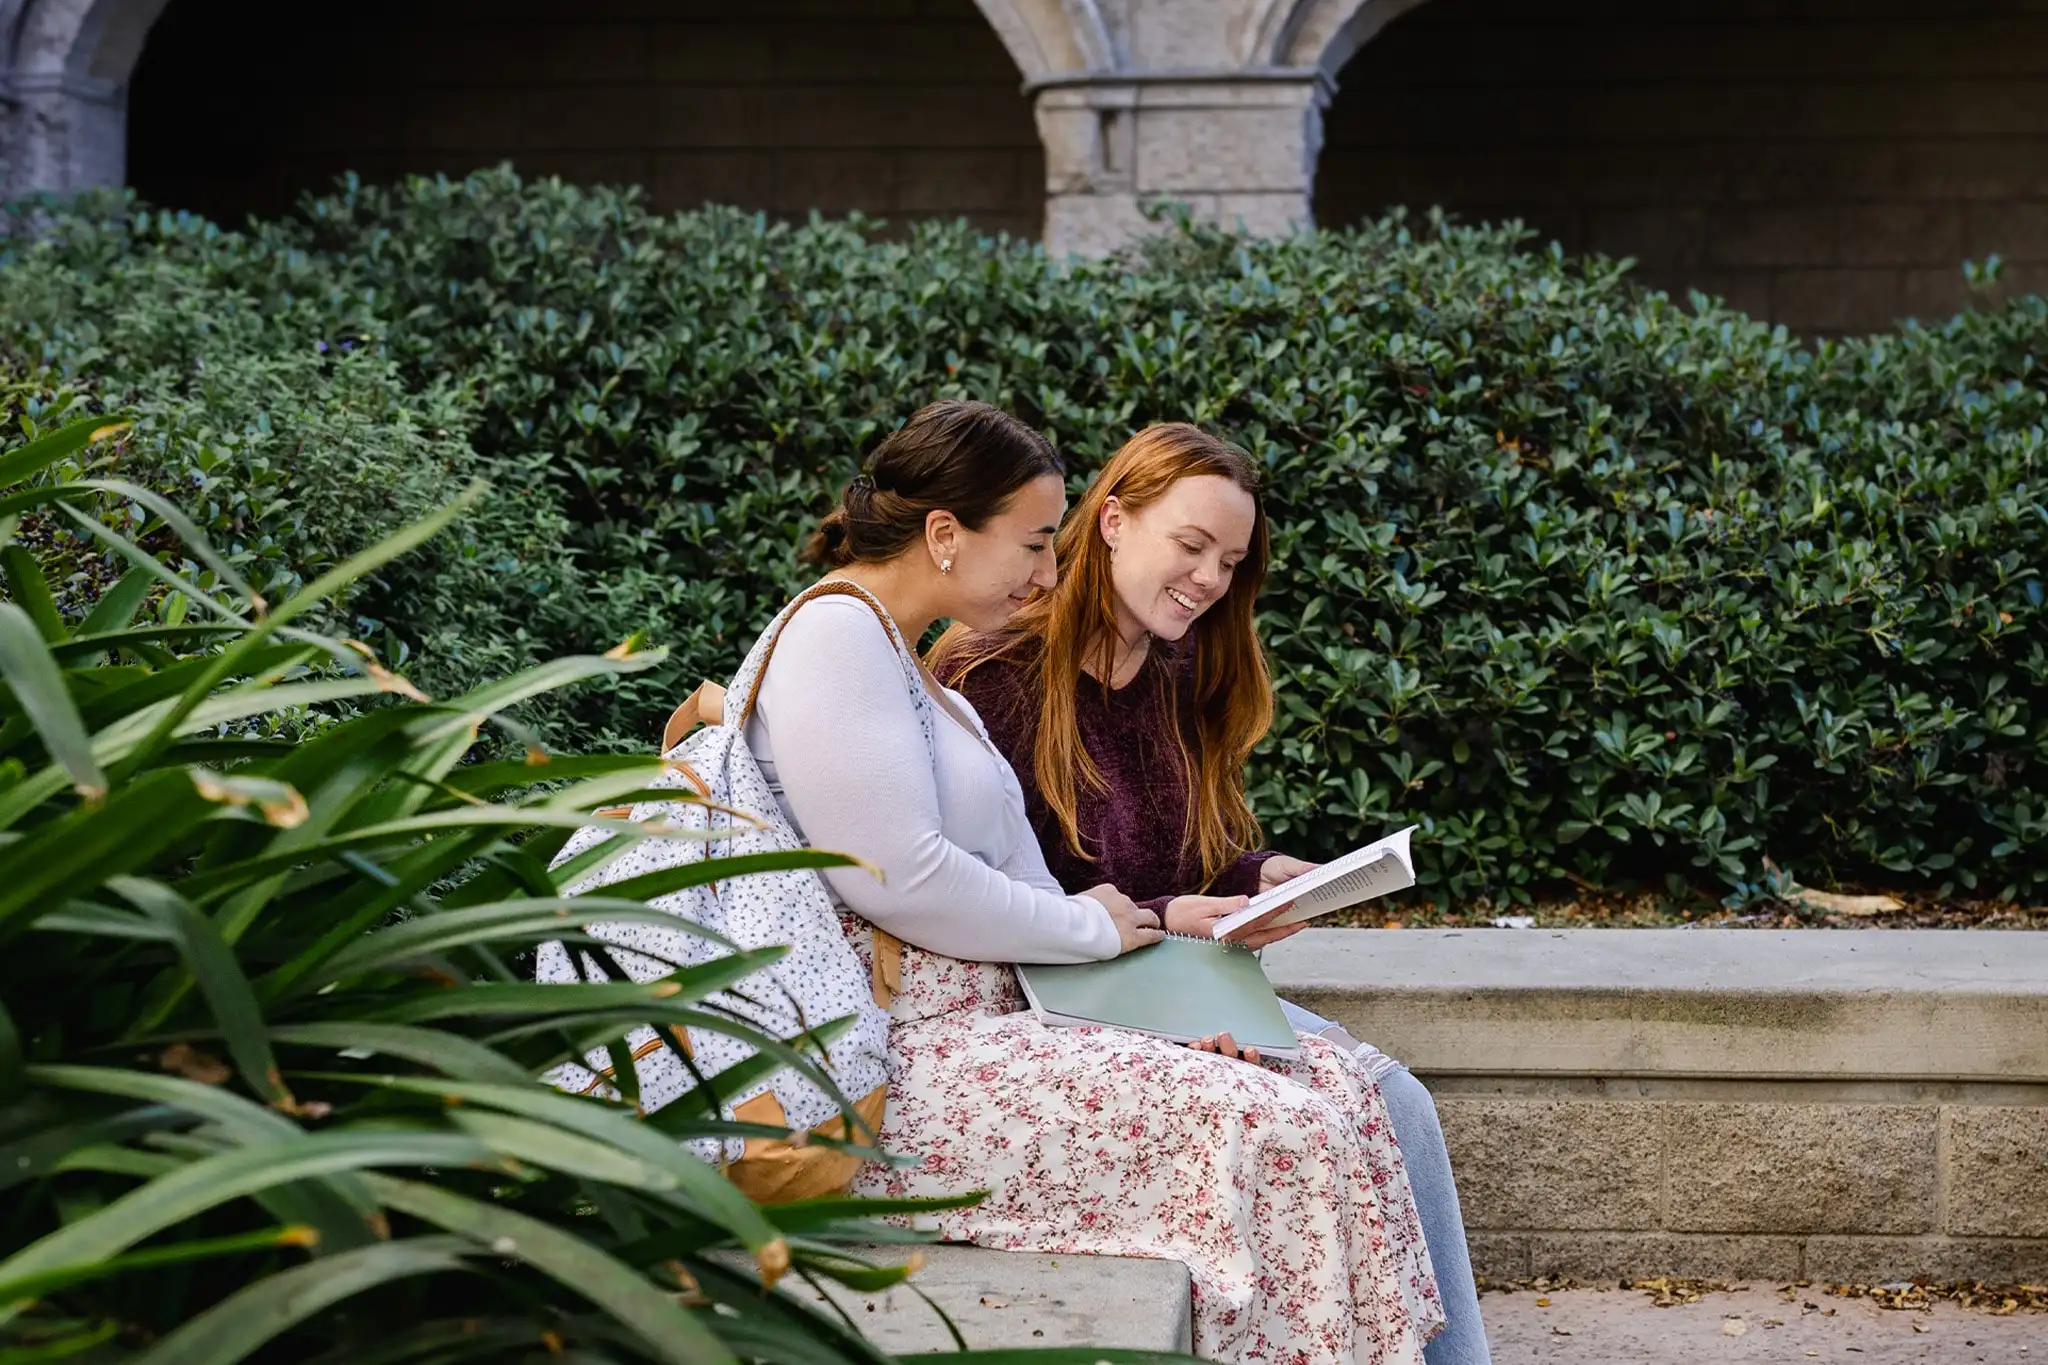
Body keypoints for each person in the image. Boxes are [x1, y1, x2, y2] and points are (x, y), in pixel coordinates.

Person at [745, 399, 1444, 1364]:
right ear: (945, 535)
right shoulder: (840, 635)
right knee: (1287, 1127)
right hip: (899, 1058)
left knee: (1334, 1093)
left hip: (1016, 1014)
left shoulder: (907, 665)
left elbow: (1035, 889)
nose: (1047, 569)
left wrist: (1140, 985)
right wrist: (1102, 938)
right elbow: (899, 876)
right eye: (1034, 542)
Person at [931, 422, 1492, 1365]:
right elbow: (992, 893)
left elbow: (1179, 859)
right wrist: (1157, 921)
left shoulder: (1179, 666)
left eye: (1229, 561)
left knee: (1399, 1106)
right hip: (1059, 999)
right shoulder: (991, 671)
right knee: (1373, 1108)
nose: (1207, 579)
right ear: (1110, 520)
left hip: (1168, 976)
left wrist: (1251, 882)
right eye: (1190, 546)